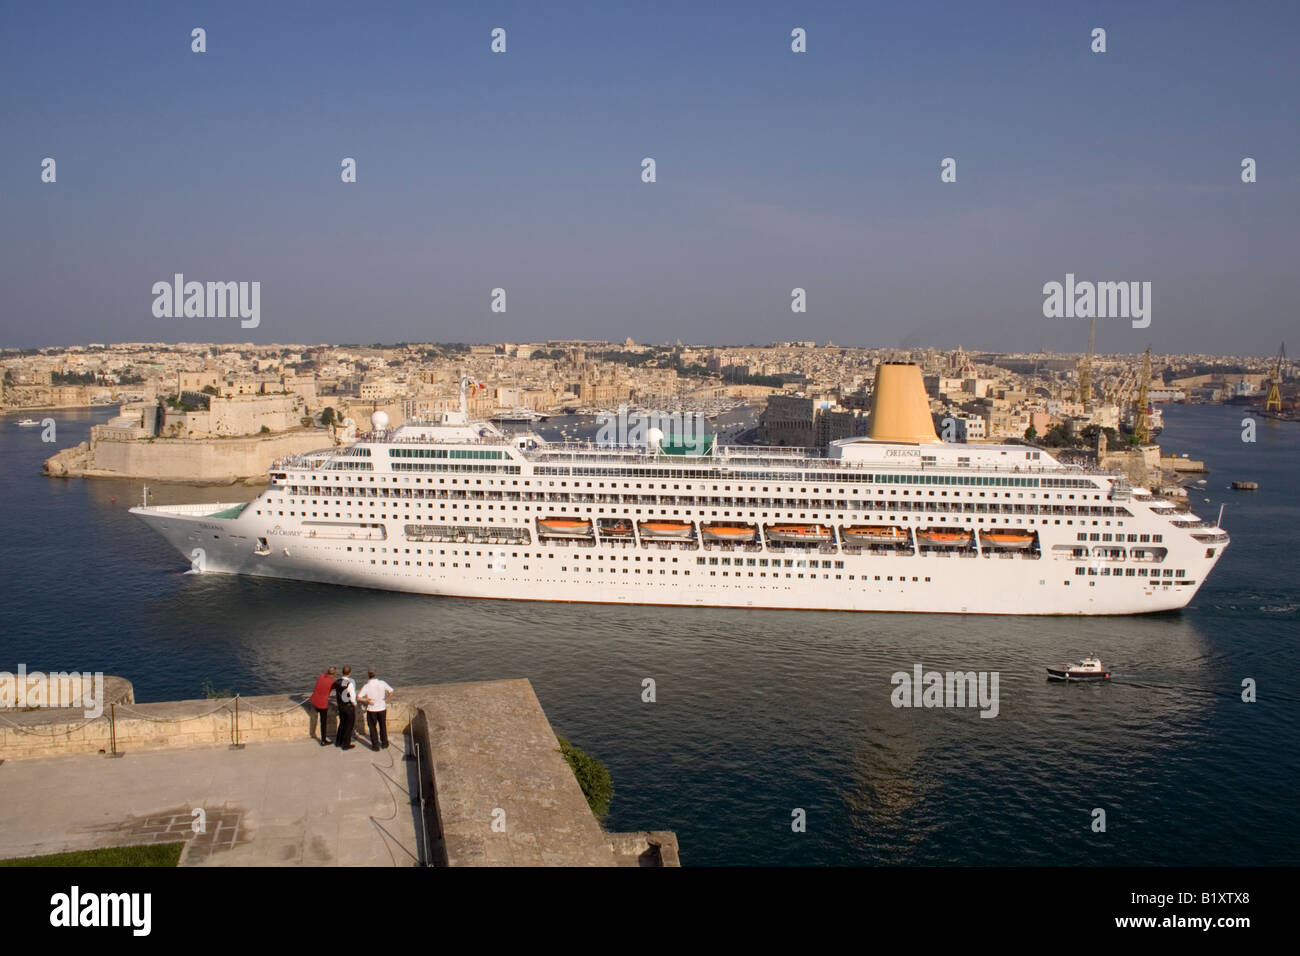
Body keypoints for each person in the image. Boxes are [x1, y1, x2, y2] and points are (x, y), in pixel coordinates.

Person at [358, 669, 395, 752]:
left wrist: (367, 700)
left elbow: (359, 697)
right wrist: (386, 698)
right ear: (375, 675)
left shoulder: (366, 686)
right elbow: (391, 691)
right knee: (382, 726)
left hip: (372, 710)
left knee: (372, 727)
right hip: (382, 708)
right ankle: (385, 743)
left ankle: (375, 746)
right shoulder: (382, 683)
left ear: (368, 675)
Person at [309, 666, 337, 746]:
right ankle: (323, 740)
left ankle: (314, 734)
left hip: (314, 700)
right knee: (323, 722)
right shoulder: (332, 682)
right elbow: (338, 688)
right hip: (322, 704)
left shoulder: (321, 676)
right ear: (334, 673)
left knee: (314, 719)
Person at [333, 666, 358, 750]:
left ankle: (338, 742)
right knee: (349, 726)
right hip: (348, 707)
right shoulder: (349, 683)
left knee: (342, 724)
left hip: (340, 706)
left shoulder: (337, 682)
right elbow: (352, 697)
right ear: (349, 673)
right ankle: (346, 744)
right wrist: (354, 704)